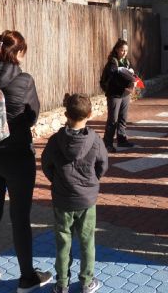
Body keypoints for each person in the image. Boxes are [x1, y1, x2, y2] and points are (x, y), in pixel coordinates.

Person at [0, 31, 52, 293]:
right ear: (17, 53)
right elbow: (32, 116)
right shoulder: (24, 80)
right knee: (20, 219)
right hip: (17, 157)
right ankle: (26, 278)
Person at [42, 93, 108, 293]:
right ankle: (87, 282)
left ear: (65, 114)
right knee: (87, 241)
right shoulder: (96, 140)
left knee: (63, 241)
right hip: (87, 200)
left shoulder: (55, 140)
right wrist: (91, 182)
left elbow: (46, 165)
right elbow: (103, 166)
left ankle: (62, 283)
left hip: (62, 199)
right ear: (89, 114)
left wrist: (58, 181)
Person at [102, 39, 136, 153]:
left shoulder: (126, 61)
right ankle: (107, 143)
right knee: (113, 120)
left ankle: (121, 139)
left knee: (123, 118)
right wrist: (124, 76)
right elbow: (114, 77)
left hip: (125, 94)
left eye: (126, 50)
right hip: (114, 95)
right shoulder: (112, 62)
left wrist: (134, 79)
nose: (124, 53)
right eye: (122, 50)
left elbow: (130, 75)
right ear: (117, 50)